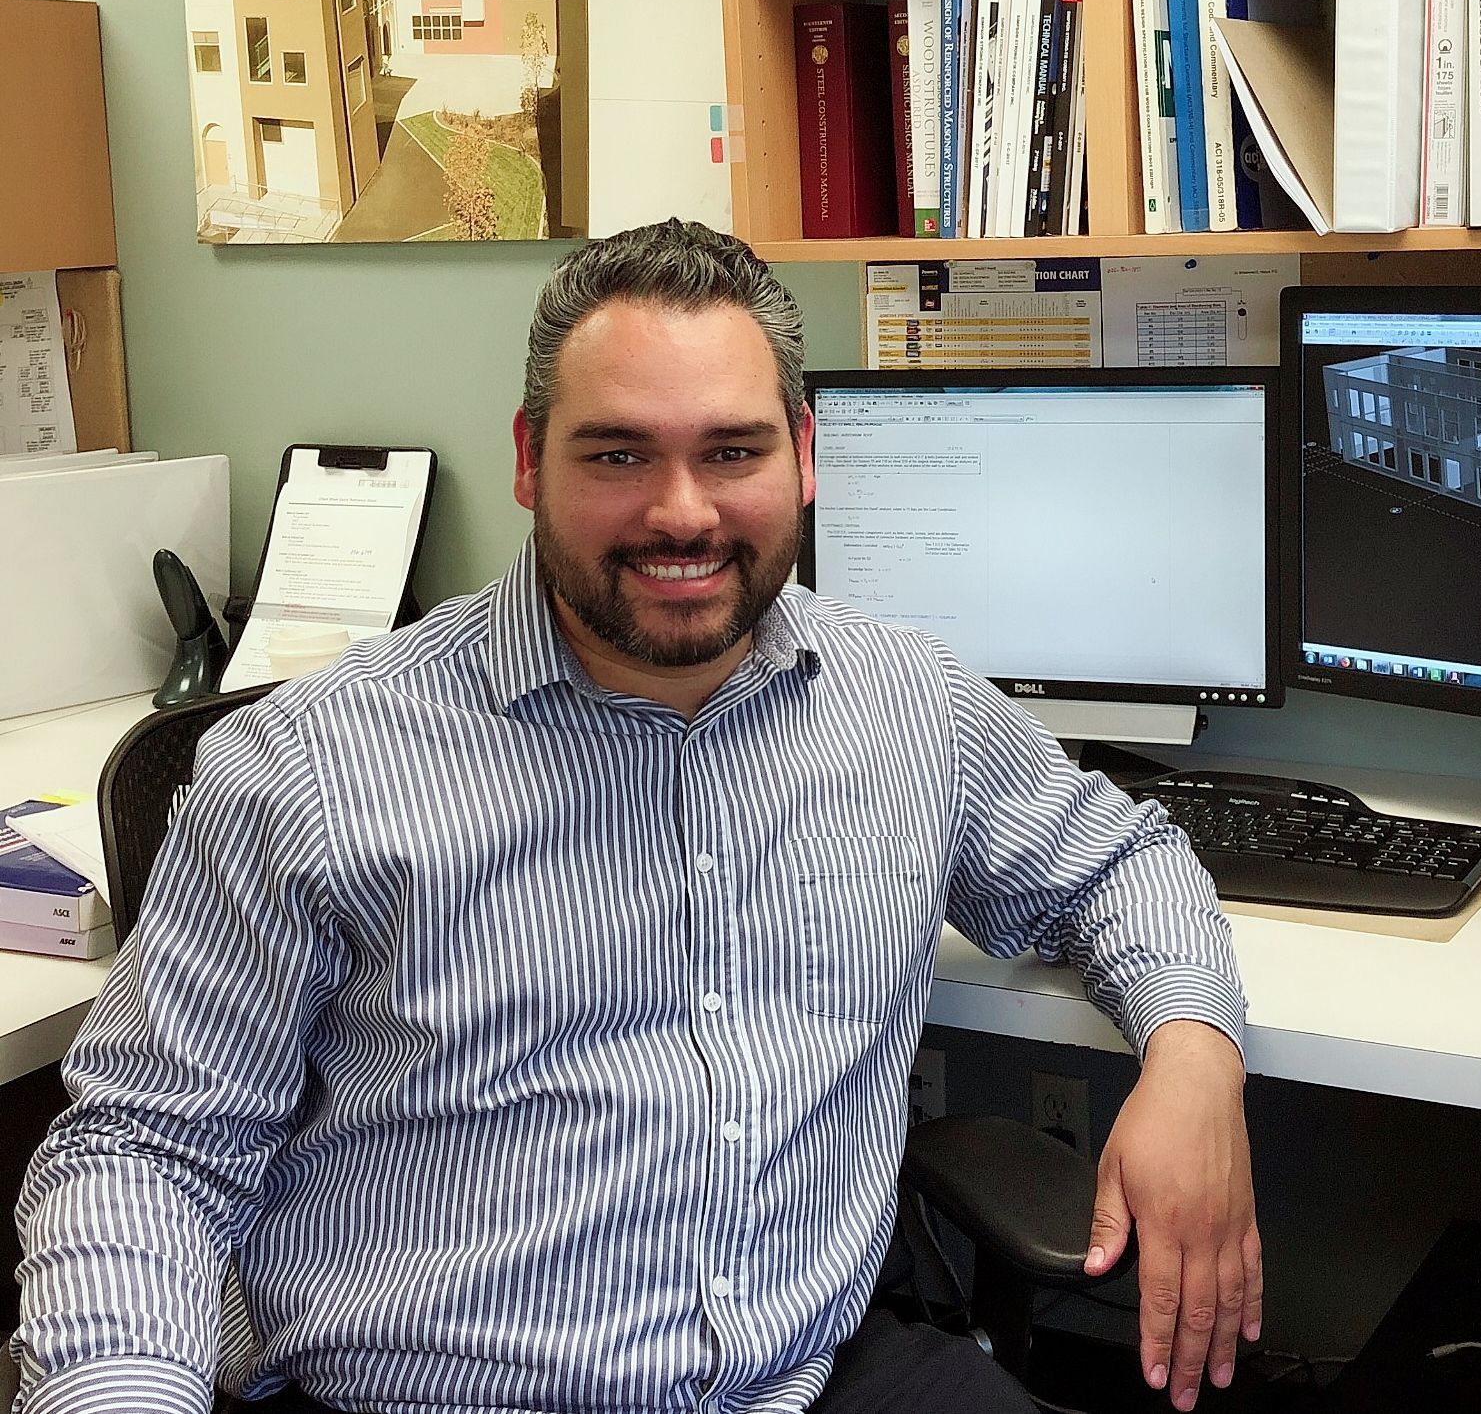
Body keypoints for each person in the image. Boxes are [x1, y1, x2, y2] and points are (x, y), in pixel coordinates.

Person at [11, 220, 1259, 1414]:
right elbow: (145, 1156)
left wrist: (1193, 1053)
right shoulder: (307, 768)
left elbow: (1115, 857)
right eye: (617, 454)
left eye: (733, 451)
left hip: (805, 1379)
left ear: (805, 456)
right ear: (526, 459)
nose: (682, 512)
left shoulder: (905, 706)